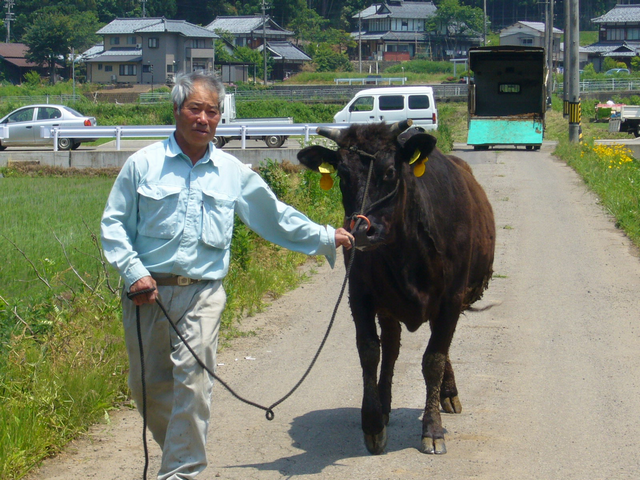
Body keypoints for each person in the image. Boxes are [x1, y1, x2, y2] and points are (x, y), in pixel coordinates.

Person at [100, 70, 353, 480]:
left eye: (212, 111)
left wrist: (326, 235)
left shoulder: (232, 171)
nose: (204, 118)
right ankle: (178, 455)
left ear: (220, 118)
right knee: (148, 388)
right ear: (177, 111)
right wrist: (134, 273)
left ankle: (182, 472)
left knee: (194, 385)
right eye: (195, 109)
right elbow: (113, 225)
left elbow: (274, 217)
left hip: (203, 294)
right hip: (147, 293)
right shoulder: (142, 164)